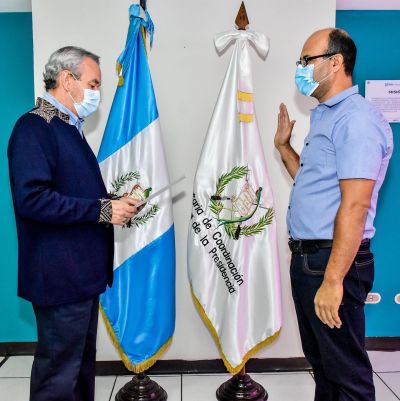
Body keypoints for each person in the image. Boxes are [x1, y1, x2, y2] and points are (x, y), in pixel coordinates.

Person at [7, 46, 139, 401]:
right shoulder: (34, 127)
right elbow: (32, 199)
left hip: (80, 275)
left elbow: (72, 192)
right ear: (67, 80)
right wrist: (101, 211)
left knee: (79, 370)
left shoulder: (68, 127)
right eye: (93, 84)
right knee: (58, 377)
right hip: (58, 277)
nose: (97, 93)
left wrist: (113, 202)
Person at [274, 28, 393, 401]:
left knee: (346, 374)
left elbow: (355, 205)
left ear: (336, 62)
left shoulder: (356, 121)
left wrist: (333, 280)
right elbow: (314, 185)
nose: (300, 68)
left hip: (332, 260)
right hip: (311, 258)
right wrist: (284, 147)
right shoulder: (327, 115)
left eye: (306, 60)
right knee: (325, 366)